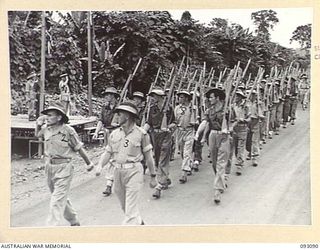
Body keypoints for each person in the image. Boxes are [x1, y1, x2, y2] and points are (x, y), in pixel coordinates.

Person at [95, 102, 157, 225]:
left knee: (130, 208)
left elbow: (149, 157)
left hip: (134, 171)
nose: (116, 117)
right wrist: (100, 165)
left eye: (119, 114)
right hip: (118, 172)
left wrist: (153, 176)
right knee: (125, 207)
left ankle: (127, 236)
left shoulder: (141, 134)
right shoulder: (115, 134)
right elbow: (108, 152)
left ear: (127, 116)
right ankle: (138, 222)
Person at [35, 101, 94, 226]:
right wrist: (38, 125)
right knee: (58, 196)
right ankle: (73, 220)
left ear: (59, 117)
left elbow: (79, 148)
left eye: (50, 115)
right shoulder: (46, 129)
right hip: (49, 167)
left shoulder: (68, 131)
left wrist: (89, 163)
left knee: (56, 200)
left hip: (64, 167)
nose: (47, 118)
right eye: (47, 115)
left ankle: (50, 228)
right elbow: (37, 134)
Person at [195, 88, 229, 204]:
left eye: (212, 97)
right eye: (209, 98)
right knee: (214, 163)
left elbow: (235, 121)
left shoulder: (227, 109)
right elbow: (205, 123)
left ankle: (217, 190)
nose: (210, 99)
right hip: (213, 135)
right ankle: (221, 180)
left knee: (221, 162)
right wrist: (198, 133)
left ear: (218, 98)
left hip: (224, 136)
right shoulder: (209, 110)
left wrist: (228, 128)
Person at [143, 88, 176, 199]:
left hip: (165, 135)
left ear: (161, 97)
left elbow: (174, 123)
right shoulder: (152, 109)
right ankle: (165, 179)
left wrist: (167, 128)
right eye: (153, 96)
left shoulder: (169, 108)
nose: (153, 98)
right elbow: (149, 123)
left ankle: (159, 186)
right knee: (157, 160)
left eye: (155, 96)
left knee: (163, 159)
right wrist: (142, 132)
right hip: (154, 135)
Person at [92, 86, 120, 197]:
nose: (107, 97)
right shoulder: (104, 108)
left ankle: (112, 183)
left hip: (118, 134)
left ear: (113, 96)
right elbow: (101, 121)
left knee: (116, 159)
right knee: (111, 158)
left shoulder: (120, 108)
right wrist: (96, 132)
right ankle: (110, 183)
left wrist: (118, 124)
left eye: (109, 95)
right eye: (106, 95)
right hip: (108, 134)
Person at [174, 90, 194, 184]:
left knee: (187, 152)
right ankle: (188, 164)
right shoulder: (177, 108)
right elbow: (175, 120)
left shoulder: (193, 107)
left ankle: (184, 173)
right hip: (179, 131)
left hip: (189, 131)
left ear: (186, 98)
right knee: (182, 152)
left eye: (182, 97)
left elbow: (196, 120)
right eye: (179, 97)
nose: (179, 99)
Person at [230, 90, 250, 176]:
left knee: (240, 147)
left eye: (238, 96)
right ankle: (238, 161)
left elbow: (250, 119)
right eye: (235, 96)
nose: (236, 98)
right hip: (234, 129)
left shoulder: (246, 107)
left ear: (241, 98)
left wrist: (244, 120)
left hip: (243, 129)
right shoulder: (232, 106)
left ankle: (239, 165)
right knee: (235, 148)